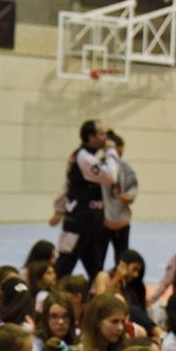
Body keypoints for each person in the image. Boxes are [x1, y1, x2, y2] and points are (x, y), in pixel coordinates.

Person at [52, 120, 120, 279]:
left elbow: (69, 184)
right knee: (64, 265)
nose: (105, 137)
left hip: (92, 223)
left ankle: (96, 294)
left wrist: (58, 209)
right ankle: (49, 293)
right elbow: (111, 177)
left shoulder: (88, 157)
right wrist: (111, 151)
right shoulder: (84, 157)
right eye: (101, 133)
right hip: (78, 221)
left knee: (96, 269)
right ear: (91, 137)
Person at [100, 131, 139, 264]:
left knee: (122, 261)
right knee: (97, 261)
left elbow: (132, 191)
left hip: (122, 224)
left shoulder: (126, 168)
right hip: (102, 224)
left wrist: (127, 197)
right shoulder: (98, 165)